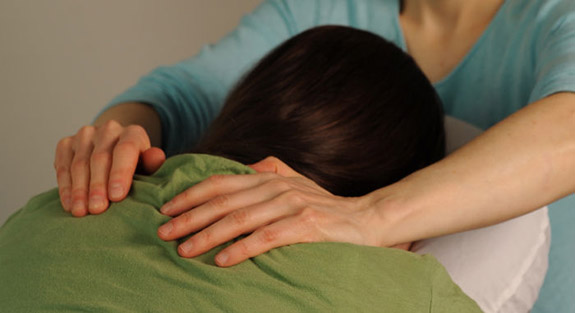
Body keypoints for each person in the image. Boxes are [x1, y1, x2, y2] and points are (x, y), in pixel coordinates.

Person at [54, 0, 575, 268]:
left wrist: (370, 216)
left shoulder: (557, 18)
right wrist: (114, 138)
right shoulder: (316, 8)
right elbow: (181, 94)